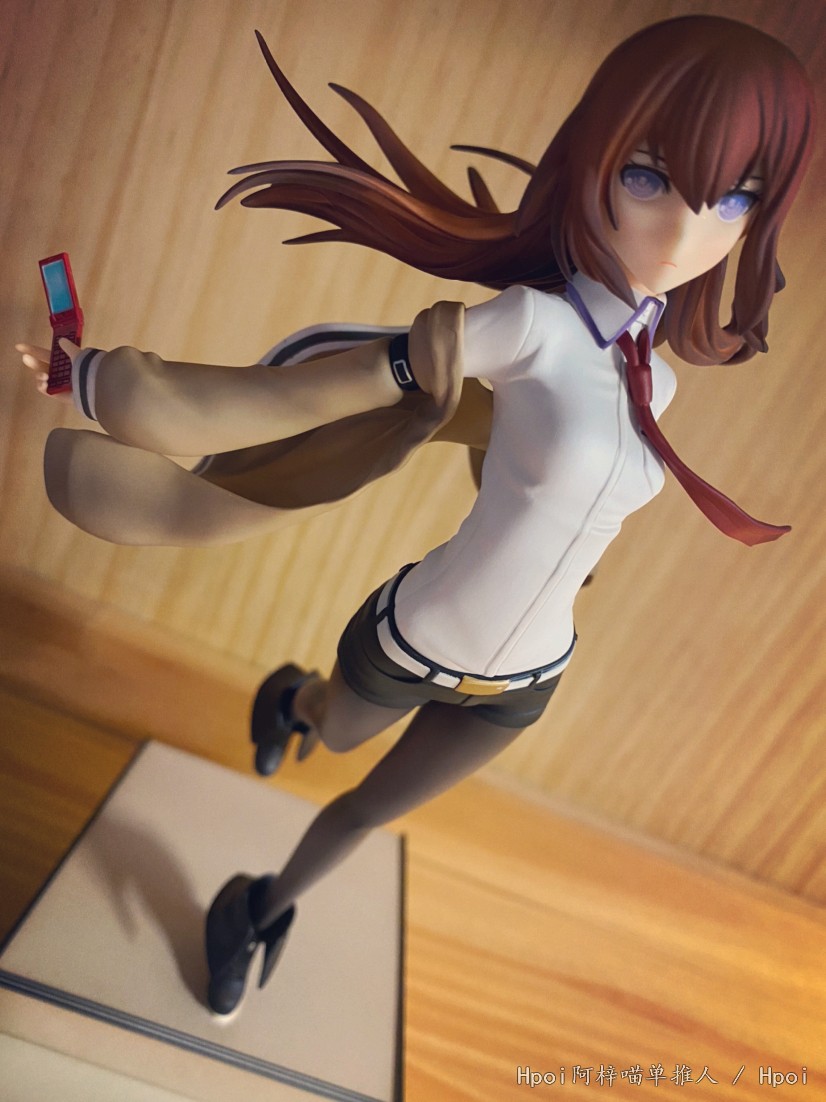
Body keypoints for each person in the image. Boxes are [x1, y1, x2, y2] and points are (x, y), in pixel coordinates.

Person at [19, 15, 814, 1017]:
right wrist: (104, 383)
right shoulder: (530, 325)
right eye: (649, 178)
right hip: (416, 637)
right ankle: (295, 703)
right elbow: (314, 393)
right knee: (337, 740)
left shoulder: (662, 383)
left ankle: (256, 910)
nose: (685, 236)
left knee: (367, 812)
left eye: (735, 197)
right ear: (594, 164)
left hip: (530, 678)